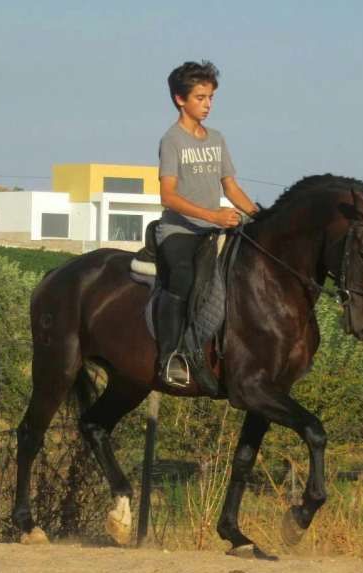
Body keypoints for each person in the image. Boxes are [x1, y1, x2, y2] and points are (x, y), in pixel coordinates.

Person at [156, 60, 258, 387]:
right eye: (200, 97)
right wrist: (213, 215)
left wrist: (259, 216)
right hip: (178, 231)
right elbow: (167, 196)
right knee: (183, 277)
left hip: (213, 232)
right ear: (180, 99)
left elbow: (231, 187)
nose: (208, 104)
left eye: (211, 97)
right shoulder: (172, 140)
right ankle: (169, 356)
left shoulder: (217, 139)